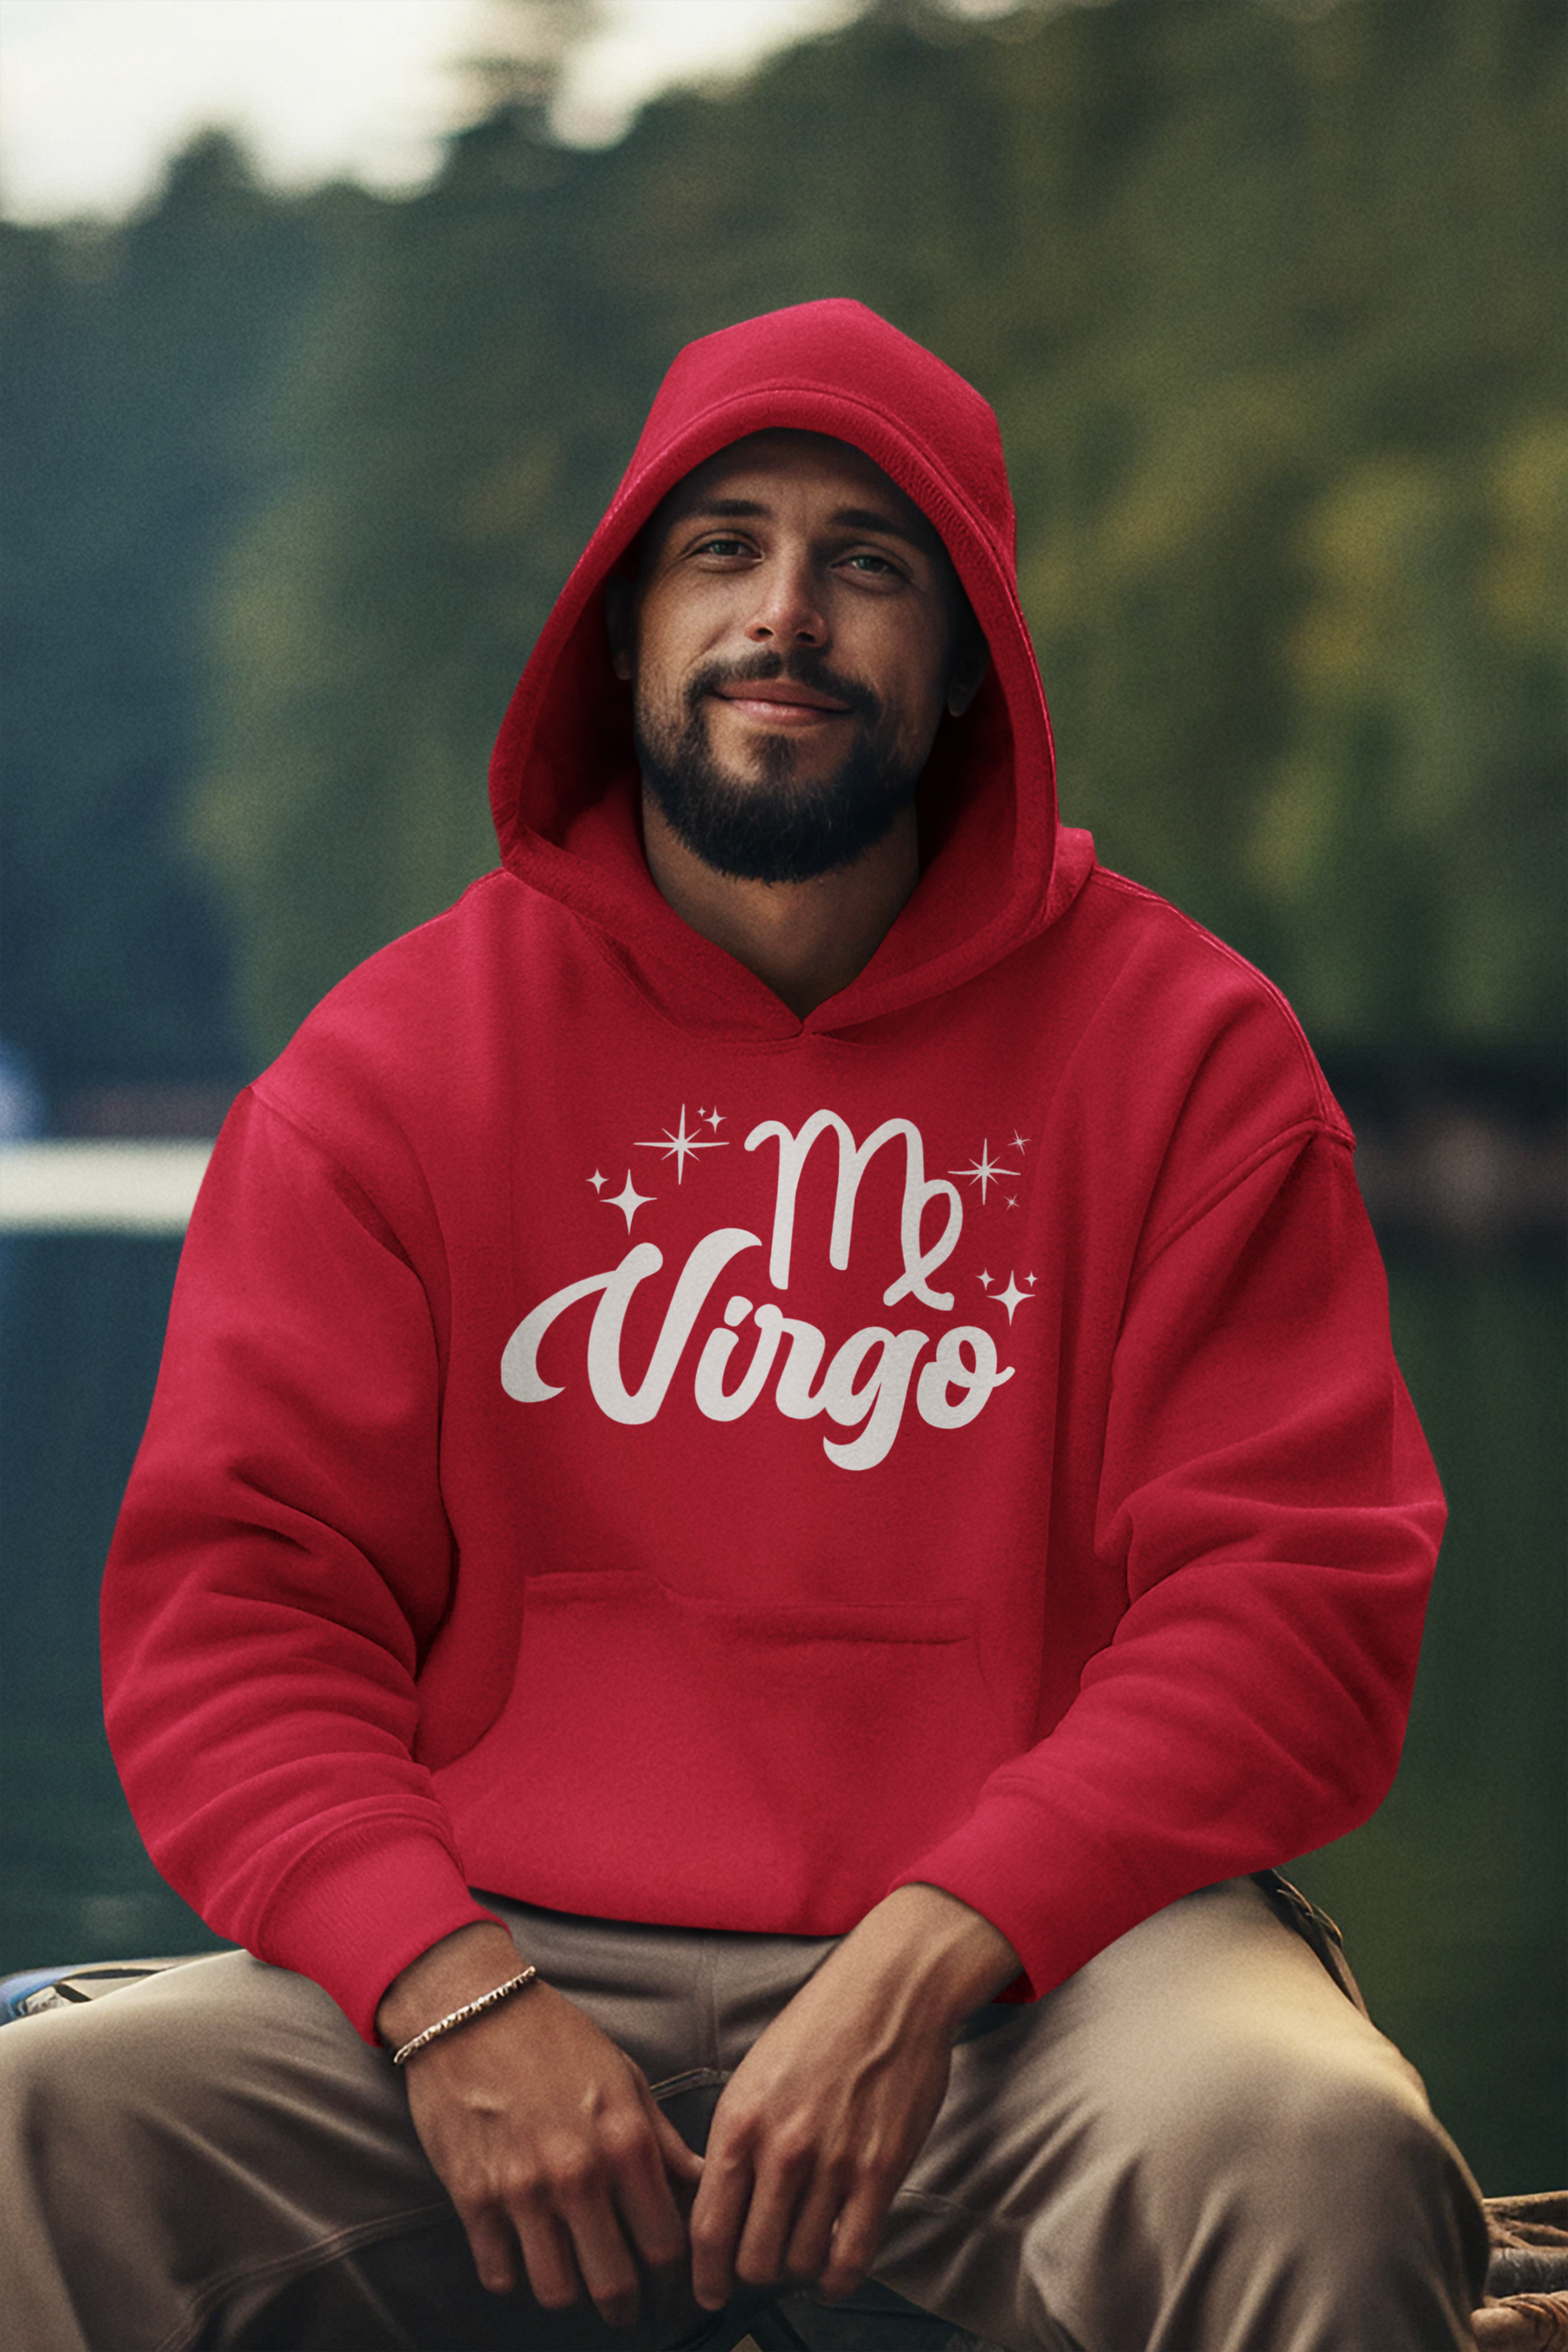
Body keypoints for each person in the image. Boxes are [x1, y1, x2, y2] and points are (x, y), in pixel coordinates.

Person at [0, 301, 1488, 2350]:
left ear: (967, 660)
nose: (784, 614)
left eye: (868, 564)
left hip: (1039, 1982)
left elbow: (1293, 1605)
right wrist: (449, 1990)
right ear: (620, 628)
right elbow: (237, 1620)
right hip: (494, 1962)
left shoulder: (1189, 1056)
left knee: (1312, 2141)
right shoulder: (387, 1072)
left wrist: (933, 1947)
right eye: (723, 549)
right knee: (36, 2123)